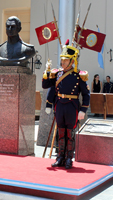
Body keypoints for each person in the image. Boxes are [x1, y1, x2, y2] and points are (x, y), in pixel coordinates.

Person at [42, 40, 90, 169]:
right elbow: (48, 86)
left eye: (65, 60)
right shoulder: (57, 74)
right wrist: (47, 72)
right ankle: (60, 157)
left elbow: (86, 94)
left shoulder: (79, 76)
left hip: (72, 106)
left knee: (70, 133)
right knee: (60, 133)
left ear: (72, 61)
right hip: (59, 105)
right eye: (62, 60)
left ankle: (69, 158)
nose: (62, 62)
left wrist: (83, 110)